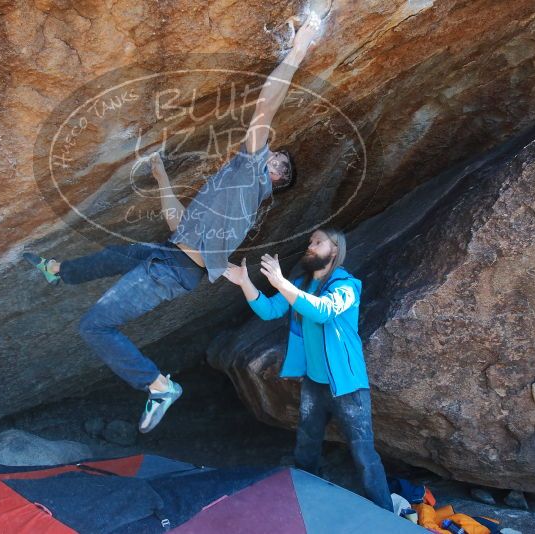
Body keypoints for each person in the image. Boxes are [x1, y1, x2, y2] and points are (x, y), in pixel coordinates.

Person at [23, 14, 323, 433]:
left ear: (277, 181)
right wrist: (162, 176)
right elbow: (176, 221)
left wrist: (299, 47)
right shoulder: (233, 181)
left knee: (94, 325)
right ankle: (59, 272)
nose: (277, 159)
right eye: (278, 156)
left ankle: (158, 385)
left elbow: (265, 105)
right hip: (169, 254)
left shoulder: (252, 176)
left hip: (173, 270)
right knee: (116, 254)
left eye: (283, 166)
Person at [223, 228, 393, 511]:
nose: (310, 246)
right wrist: (245, 282)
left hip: (348, 386)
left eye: (317, 242)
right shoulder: (301, 283)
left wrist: (280, 282)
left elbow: (323, 311)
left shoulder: (348, 285)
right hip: (314, 383)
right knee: (306, 445)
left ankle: (386, 515)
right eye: (309, 241)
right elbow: (269, 311)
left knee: (364, 454)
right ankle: (306, 501)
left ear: (335, 250)